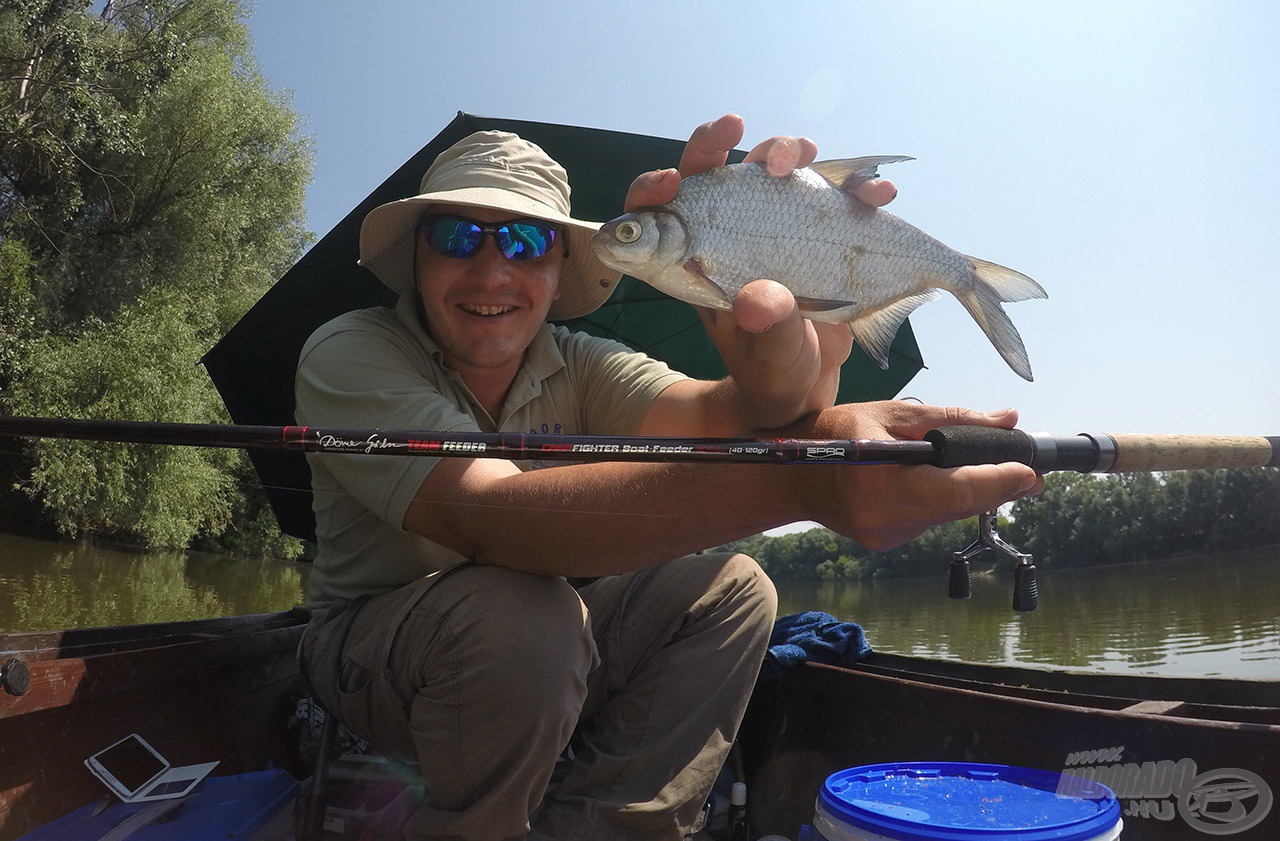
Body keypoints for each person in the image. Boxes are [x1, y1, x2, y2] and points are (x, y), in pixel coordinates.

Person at [294, 115, 1041, 841]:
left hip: (548, 639)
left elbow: (725, 417)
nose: (493, 271)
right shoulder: (350, 351)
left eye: (526, 240)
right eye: (457, 237)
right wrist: (803, 480)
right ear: (417, 260)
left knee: (736, 590)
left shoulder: (579, 359)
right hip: (375, 650)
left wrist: (778, 377)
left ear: (559, 273)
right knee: (524, 617)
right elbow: (485, 516)